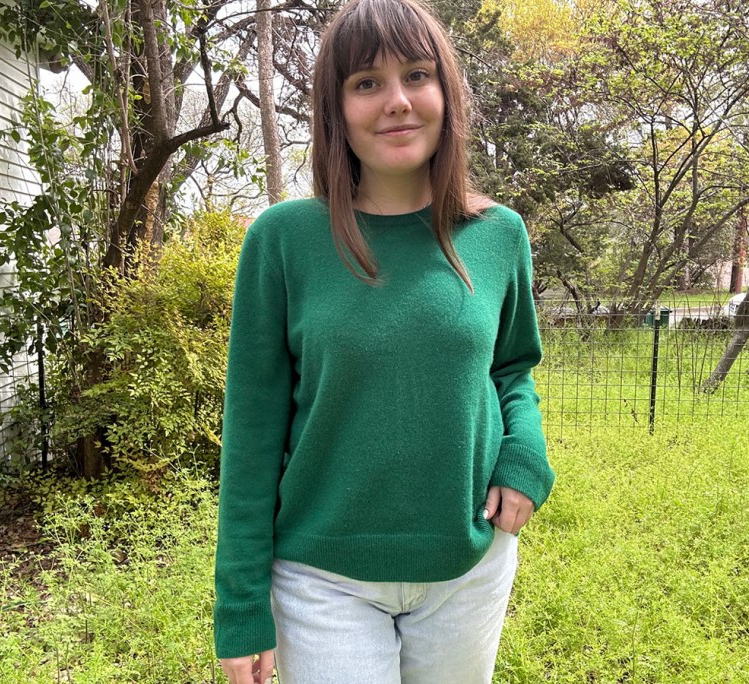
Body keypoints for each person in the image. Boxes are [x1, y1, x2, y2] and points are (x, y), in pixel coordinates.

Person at [213, 0, 555, 682]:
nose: (396, 101)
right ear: (337, 108)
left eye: (417, 75)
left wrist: (525, 453)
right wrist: (241, 606)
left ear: (446, 93)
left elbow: (512, 368)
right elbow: (250, 436)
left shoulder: (499, 236)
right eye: (366, 82)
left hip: (468, 566)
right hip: (322, 578)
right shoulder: (282, 242)